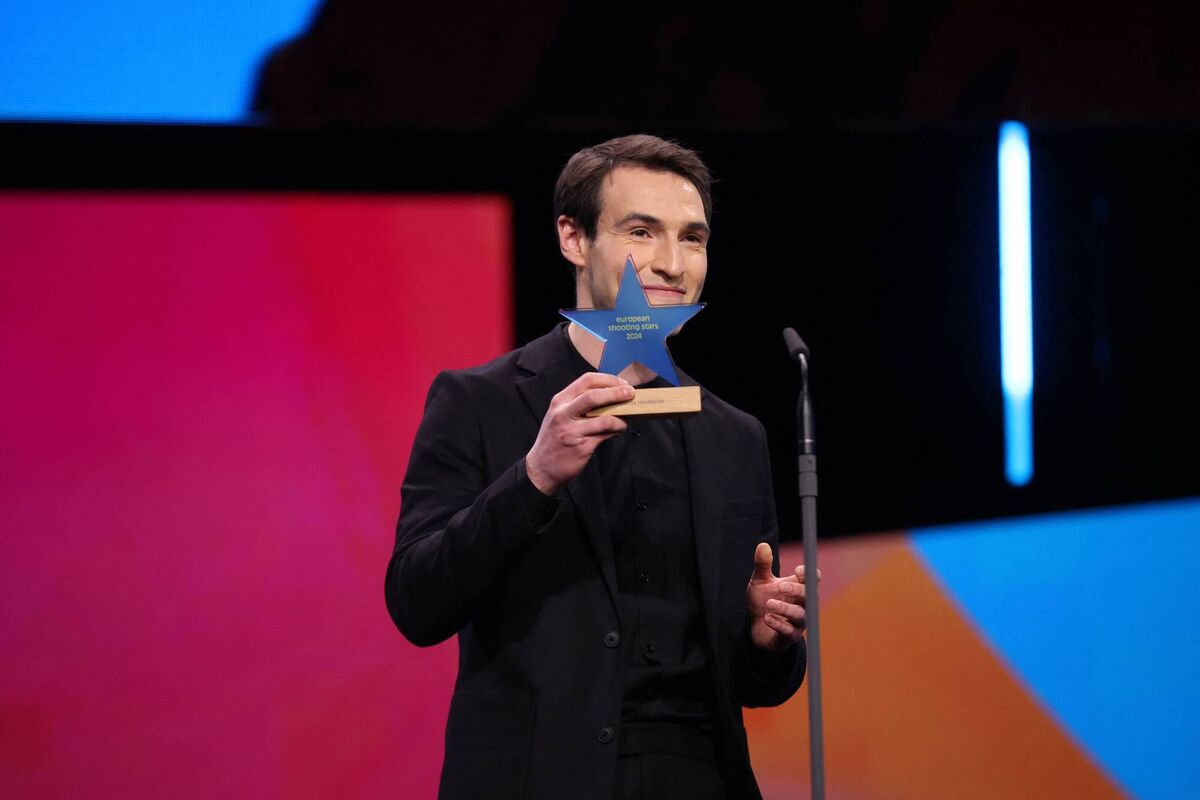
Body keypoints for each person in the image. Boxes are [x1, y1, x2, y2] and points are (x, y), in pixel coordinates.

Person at [386, 134, 811, 799]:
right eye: (642, 231)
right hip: (538, 778)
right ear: (573, 238)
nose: (672, 263)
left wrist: (765, 639)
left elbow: (761, 686)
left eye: (692, 238)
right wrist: (534, 478)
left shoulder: (736, 437)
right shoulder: (480, 402)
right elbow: (416, 603)